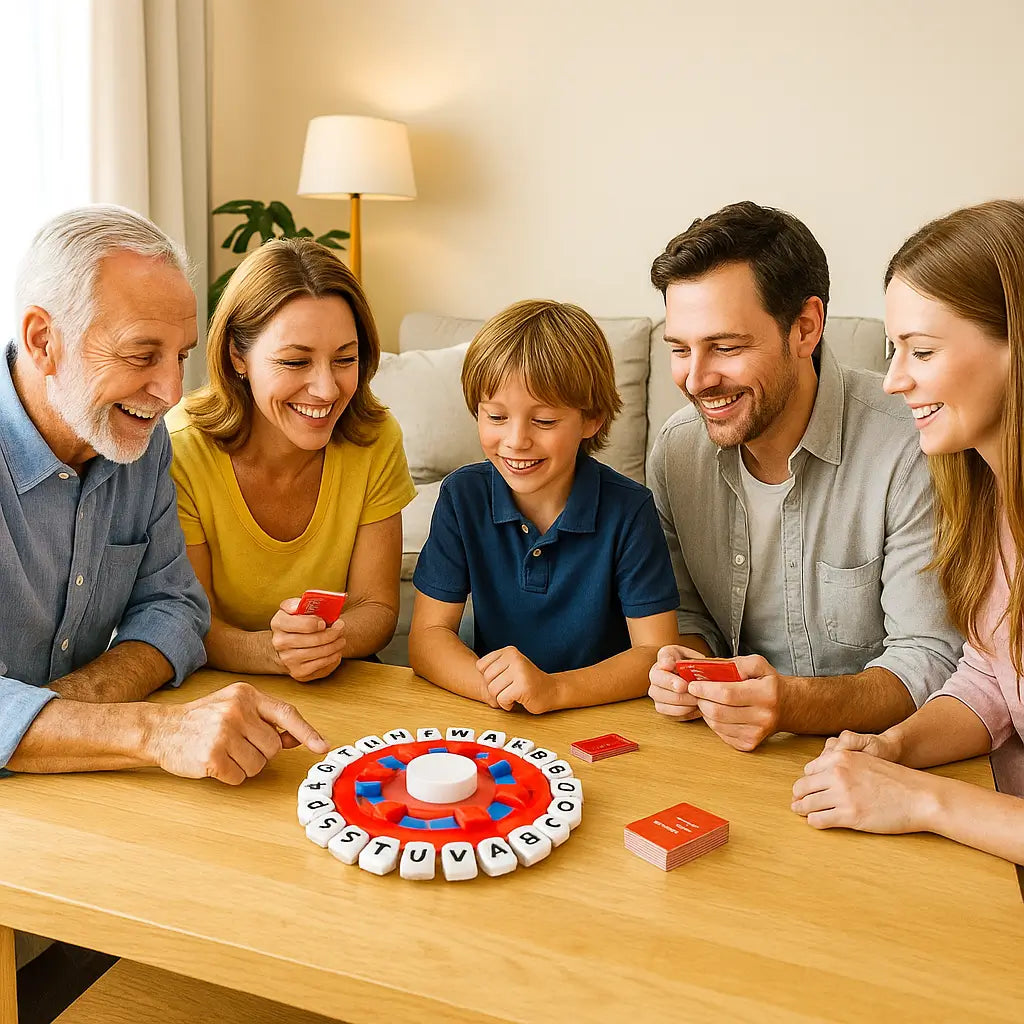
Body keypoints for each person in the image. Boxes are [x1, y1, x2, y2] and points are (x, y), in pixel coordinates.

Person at [0, 205, 328, 783]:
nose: (173, 392)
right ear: (43, 340)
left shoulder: (138, 442)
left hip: (71, 790)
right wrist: (156, 731)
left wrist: (65, 721)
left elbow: (174, 609)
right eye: (140, 355)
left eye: (180, 355)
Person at [645, 201, 962, 751]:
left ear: (806, 329)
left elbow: (928, 658)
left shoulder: (911, 448)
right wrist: (688, 664)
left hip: (868, 756)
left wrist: (789, 703)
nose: (696, 380)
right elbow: (692, 613)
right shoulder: (676, 450)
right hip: (722, 750)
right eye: (679, 349)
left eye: (725, 346)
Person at [792, 200, 1024, 863]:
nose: (894, 380)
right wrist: (896, 746)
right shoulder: (986, 501)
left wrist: (922, 800)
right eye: (895, 350)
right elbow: (989, 681)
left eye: (920, 350)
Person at [409, 299, 680, 712]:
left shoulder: (630, 510)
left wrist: (552, 690)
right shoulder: (462, 498)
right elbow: (428, 637)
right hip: (502, 715)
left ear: (592, 421)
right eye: (496, 417)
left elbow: (655, 654)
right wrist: (496, 690)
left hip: (601, 714)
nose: (516, 440)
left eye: (545, 421)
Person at [169, 238, 416, 680]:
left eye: (345, 358)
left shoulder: (375, 438)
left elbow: (377, 607)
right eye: (295, 362)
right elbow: (188, 622)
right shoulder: (182, 448)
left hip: (341, 678)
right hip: (214, 685)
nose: (326, 389)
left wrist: (327, 642)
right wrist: (273, 653)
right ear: (237, 357)